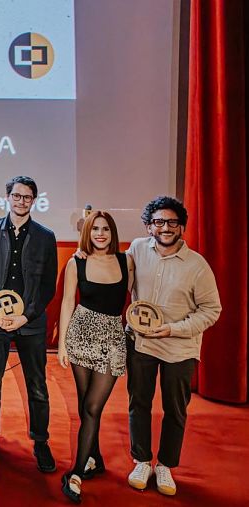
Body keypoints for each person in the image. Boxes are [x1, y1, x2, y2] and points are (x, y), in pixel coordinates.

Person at [124, 196, 220, 497]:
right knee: (138, 403)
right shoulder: (137, 249)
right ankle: (141, 460)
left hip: (180, 349)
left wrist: (172, 330)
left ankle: (165, 465)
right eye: (158, 222)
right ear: (149, 226)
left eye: (172, 222)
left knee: (175, 410)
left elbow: (211, 310)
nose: (165, 227)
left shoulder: (197, 265)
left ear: (182, 227)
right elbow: (114, 276)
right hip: (141, 345)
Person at [0, 176, 58, 473]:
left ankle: (41, 441)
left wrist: (26, 315)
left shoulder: (45, 236)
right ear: (7, 197)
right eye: (17, 196)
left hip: (30, 323)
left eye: (27, 197)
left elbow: (47, 286)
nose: (21, 201)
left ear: (34, 200)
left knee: (38, 386)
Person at [57, 210, 132, 502]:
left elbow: (137, 298)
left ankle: (75, 472)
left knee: (91, 406)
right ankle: (95, 458)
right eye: (95, 229)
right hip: (80, 336)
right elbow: (66, 302)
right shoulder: (77, 263)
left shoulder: (128, 261)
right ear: (87, 232)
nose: (100, 234)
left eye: (106, 229)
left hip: (112, 340)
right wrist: (63, 344)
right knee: (86, 405)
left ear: (113, 233)